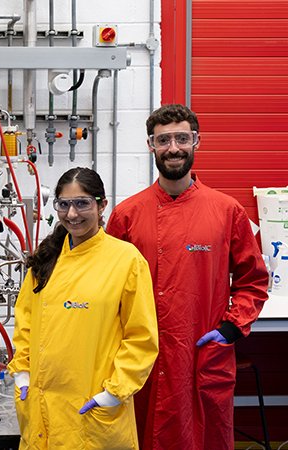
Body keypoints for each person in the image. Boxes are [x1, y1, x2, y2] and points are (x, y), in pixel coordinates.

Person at [105, 104, 269, 450]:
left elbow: (253, 280)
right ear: (151, 145)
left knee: (205, 437)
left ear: (197, 142)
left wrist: (229, 329)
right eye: (164, 140)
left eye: (183, 138)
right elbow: (107, 285)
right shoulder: (127, 215)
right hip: (142, 357)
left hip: (201, 355)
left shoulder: (227, 212)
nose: (174, 148)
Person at [7, 167, 159, 449]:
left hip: (91, 410)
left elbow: (141, 339)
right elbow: (25, 321)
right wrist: (22, 372)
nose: (72, 214)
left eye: (82, 203)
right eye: (64, 204)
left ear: (102, 205)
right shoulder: (45, 259)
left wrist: (113, 394)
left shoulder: (126, 261)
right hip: (42, 409)